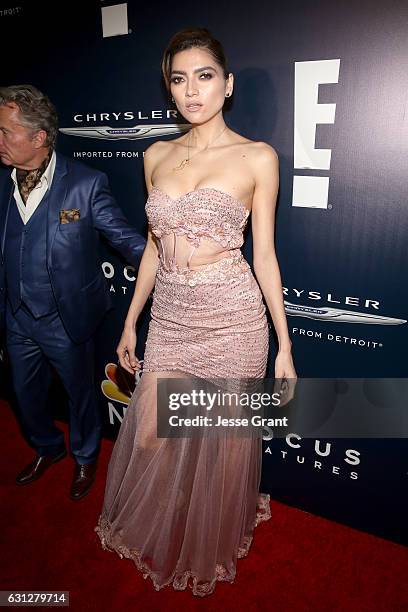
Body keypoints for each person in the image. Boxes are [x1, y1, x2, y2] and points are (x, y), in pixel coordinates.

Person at [95, 27, 297, 596]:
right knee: (156, 434)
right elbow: (155, 247)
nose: (192, 91)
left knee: (226, 446)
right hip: (172, 319)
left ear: (227, 85)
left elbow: (264, 255)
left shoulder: (257, 157)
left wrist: (284, 344)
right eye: (179, 79)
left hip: (234, 318)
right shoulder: (154, 154)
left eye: (204, 76)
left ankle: (214, 533)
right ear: (170, 88)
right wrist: (133, 318)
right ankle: (162, 522)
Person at [0, 85, 145, 500]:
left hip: (66, 318)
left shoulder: (85, 183)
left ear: (39, 137)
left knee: (80, 394)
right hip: (17, 317)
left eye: (7, 131)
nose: (0, 140)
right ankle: (48, 448)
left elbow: (124, 239)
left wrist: (172, 263)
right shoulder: (2, 183)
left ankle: (84, 456)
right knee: (24, 394)